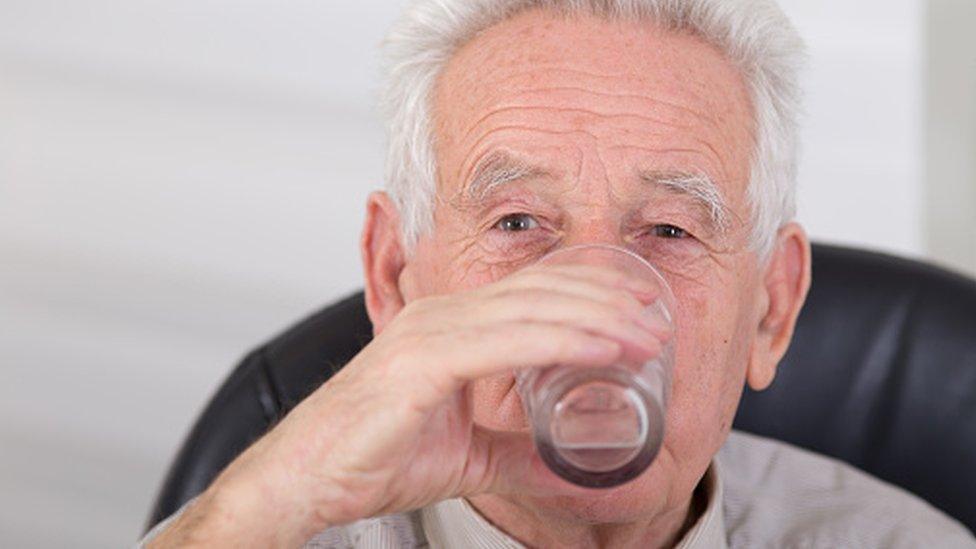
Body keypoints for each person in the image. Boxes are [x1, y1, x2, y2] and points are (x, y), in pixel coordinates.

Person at [142, 0, 976, 547]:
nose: (594, 319)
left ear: (772, 308)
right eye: (516, 222)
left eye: (669, 229)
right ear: (395, 278)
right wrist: (269, 501)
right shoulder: (264, 531)